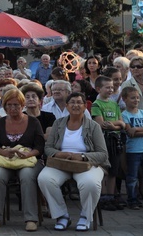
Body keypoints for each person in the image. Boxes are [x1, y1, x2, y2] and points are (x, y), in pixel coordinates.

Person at [38, 92, 109, 231]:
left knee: (90, 183)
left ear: (84, 107)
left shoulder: (94, 126)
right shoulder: (58, 123)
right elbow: (48, 148)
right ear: (67, 106)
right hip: (61, 163)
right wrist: (59, 153)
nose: (75, 105)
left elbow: (102, 154)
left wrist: (82, 156)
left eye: (79, 102)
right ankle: (62, 215)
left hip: (86, 164)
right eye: (72, 102)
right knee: (44, 178)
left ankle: (85, 216)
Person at [0, 89, 45, 231]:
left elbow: (40, 146)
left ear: (22, 105)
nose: (12, 108)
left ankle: (31, 218)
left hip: (28, 160)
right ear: (5, 106)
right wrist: (5, 152)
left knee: (27, 176)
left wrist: (28, 154)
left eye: (16, 105)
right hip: (5, 160)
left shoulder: (33, 122)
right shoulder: (0, 123)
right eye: (9, 105)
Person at [90, 75, 125, 210]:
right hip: (104, 140)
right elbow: (101, 124)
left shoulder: (114, 104)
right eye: (107, 87)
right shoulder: (96, 104)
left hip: (115, 140)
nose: (111, 89)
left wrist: (114, 125)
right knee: (104, 168)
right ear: (98, 89)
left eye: (112, 87)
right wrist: (117, 125)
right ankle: (103, 197)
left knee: (114, 170)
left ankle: (111, 196)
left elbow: (122, 123)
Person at [121, 86, 143, 209]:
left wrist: (136, 129)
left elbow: (137, 131)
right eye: (133, 98)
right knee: (132, 177)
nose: (136, 100)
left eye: (137, 98)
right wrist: (134, 131)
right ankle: (132, 200)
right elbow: (128, 132)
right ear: (125, 99)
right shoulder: (124, 115)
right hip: (133, 151)